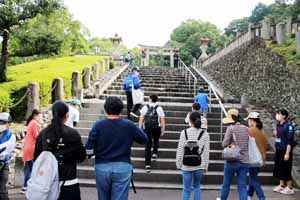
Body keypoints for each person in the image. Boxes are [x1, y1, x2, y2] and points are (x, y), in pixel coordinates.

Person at [85, 97, 148, 200]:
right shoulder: (129, 125)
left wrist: (91, 154)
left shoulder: (98, 125)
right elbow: (144, 139)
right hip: (123, 166)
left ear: (105, 109)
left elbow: (89, 148)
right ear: (121, 109)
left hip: (102, 166)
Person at [34, 101, 86, 200]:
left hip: (47, 183)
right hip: (69, 182)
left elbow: (37, 158)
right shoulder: (73, 133)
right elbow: (81, 157)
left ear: (52, 114)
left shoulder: (43, 133)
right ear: (67, 115)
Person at [176, 111, 210, 200]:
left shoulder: (184, 133)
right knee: (197, 187)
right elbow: (206, 152)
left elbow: (180, 149)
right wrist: (206, 166)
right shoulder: (205, 134)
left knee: (186, 189)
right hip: (200, 164)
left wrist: (178, 163)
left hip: (186, 165)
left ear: (190, 121)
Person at [218, 109, 249, 200]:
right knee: (242, 186)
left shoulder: (230, 128)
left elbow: (224, 144)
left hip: (232, 160)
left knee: (226, 183)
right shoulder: (247, 128)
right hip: (244, 160)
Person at [138, 94, 166, 172]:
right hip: (156, 128)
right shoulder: (159, 108)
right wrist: (163, 129)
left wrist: (140, 128)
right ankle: (154, 153)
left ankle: (147, 165)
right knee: (156, 139)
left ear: (150, 99)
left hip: (147, 128)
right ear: (157, 100)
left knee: (148, 146)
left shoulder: (145, 107)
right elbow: (162, 119)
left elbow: (141, 119)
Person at [272, 109, 295, 195]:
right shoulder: (279, 125)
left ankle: (289, 187)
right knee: (279, 167)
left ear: (284, 116)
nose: (277, 115)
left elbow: (289, 141)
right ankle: (281, 185)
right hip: (279, 148)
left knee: (286, 168)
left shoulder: (288, 126)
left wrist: (287, 153)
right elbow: (279, 136)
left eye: (279, 114)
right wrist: (275, 134)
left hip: (285, 150)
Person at [245, 112, 268, 200]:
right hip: (261, 158)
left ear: (252, 120)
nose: (248, 122)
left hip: (253, 158)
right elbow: (266, 145)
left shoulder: (251, 130)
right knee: (253, 177)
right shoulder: (262, 131)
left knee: (254, 179)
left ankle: (262, 197)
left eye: (248, 120)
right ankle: (249, 194)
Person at [21, 109, 42, 194]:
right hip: (32, 149)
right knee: (33, 169)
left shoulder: (31, 122)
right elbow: (38, 137)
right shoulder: (35, 124)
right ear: (35, 116)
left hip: (28, 148)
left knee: (29, 168)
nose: (40, 118)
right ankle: (27, 187)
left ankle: (25, 187)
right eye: (40, 116)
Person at [0, 113, 16, 200]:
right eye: (0, 122)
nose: (1, 124)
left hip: (3, 164)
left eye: (3, 123)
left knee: (2, 189)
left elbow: (8, 150)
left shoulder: (10, 135)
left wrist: (2, 154)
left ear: (9, 124)